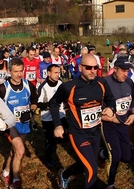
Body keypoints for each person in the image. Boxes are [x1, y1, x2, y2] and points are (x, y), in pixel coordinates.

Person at [49, 54, 117, 189]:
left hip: (95, 132)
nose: (92, 70)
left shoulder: (101, 83)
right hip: (78, 134)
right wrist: (57, 125)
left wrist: (111, 108)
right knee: (92, 169)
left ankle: (65, 174)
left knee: (86, 162)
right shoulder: (69, 87)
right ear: (80, 68)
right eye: (88, 67)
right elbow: (53, 103)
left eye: (95, 67)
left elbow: (111, 99)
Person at [0, 57, 38, 189]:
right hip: (10, 125)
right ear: (9, 72)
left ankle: (5, 173)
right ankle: (16, 180)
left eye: (21, 71)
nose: (18, 74)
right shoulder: (2, 89)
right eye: (15, 71)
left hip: (23, 124)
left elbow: (34, 99)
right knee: (21, 149)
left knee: (15, 151)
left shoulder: (28, 85)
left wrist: (31, 110)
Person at [99, 56, 134, 187]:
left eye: (128, 71)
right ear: (115, 69)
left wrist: (133, 114)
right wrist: (108, 118)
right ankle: (110, 184)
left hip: (123, 124)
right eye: (123, 70)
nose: (125, 73)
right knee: (115, 156)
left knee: (126, 157)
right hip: (108, 125)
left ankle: (102, 153)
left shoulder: (129, 82)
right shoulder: (104, 83)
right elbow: (94, 107)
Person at [36, 64, 65, 168]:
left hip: (60, 116)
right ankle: (48, 158)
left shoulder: (61, 83)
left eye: (59, 72)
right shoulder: (43, 87)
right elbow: (37, 104)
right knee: (50, 141)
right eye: (55, 73)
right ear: (48, 73)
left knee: (68, 135)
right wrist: (51, 104)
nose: (58, 75)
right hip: (47, 118)